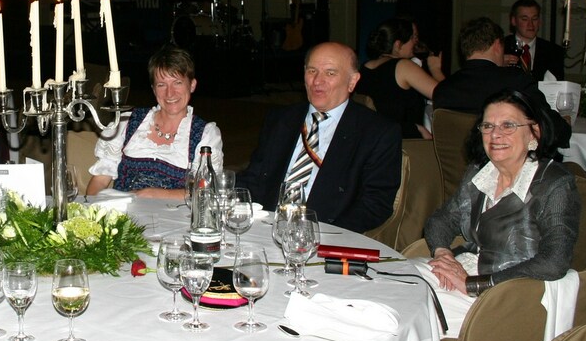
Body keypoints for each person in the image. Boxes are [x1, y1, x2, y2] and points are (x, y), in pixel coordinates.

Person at [421, 89, 580, 336]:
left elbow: (554, 261)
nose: (495, 134)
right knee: (397, 285)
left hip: (511, 293)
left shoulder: (555, 185)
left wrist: (473, 284)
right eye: (488, 126)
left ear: (534, 133)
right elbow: (443, 219)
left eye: (508, 125)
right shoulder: (480, 173)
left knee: (415, 314)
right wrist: (443, 254)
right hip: (467, 272)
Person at [237, 42, 401, 232]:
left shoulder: (376, 132)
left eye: (330, 73)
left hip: (326, 231)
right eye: (312, 71)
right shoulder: (281, 119)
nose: (317, 81)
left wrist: (324, 233)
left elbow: (376, 203)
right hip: (267, 226)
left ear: (352, 81)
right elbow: (255, 177)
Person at [86, 45, 223, 199]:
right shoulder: (127, 122)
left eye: (177, 83)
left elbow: (205, 191)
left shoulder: (205, 134)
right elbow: (99, 181)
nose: (170, 93)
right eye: (161, 85)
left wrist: (152, 194)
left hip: (176, 214)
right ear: (153, 89)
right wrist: (93, 207)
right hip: (122, 212)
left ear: (192, 85)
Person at [432, 17, 570, 147]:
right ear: (498, 45)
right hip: (504, 162)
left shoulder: (442, 90)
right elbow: (551, 130)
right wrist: (565, 125)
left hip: (456, 164)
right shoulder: (516, 81)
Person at [356, 17, 444, 139]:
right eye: (412, 38)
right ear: (398, 45)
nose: (415, 43)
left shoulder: (366, 66)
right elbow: (445, 95)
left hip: (374, 137)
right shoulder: (403, 66)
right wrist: (436, 69)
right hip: (401, 140)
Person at [503, 0, 566, 81]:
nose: (531, 24)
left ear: (539, 21)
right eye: (525, 19)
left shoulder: (553, 52)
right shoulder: (501, 47)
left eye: (534, 19)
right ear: (514, 21)